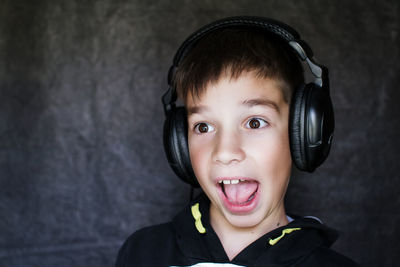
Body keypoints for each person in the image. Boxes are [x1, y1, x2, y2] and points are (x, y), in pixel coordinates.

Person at [115, 16, 358, 266]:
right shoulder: (143, 252)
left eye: (254, 123)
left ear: (304, 133)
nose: (226, 152)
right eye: (203, 126)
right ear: (180, 146)